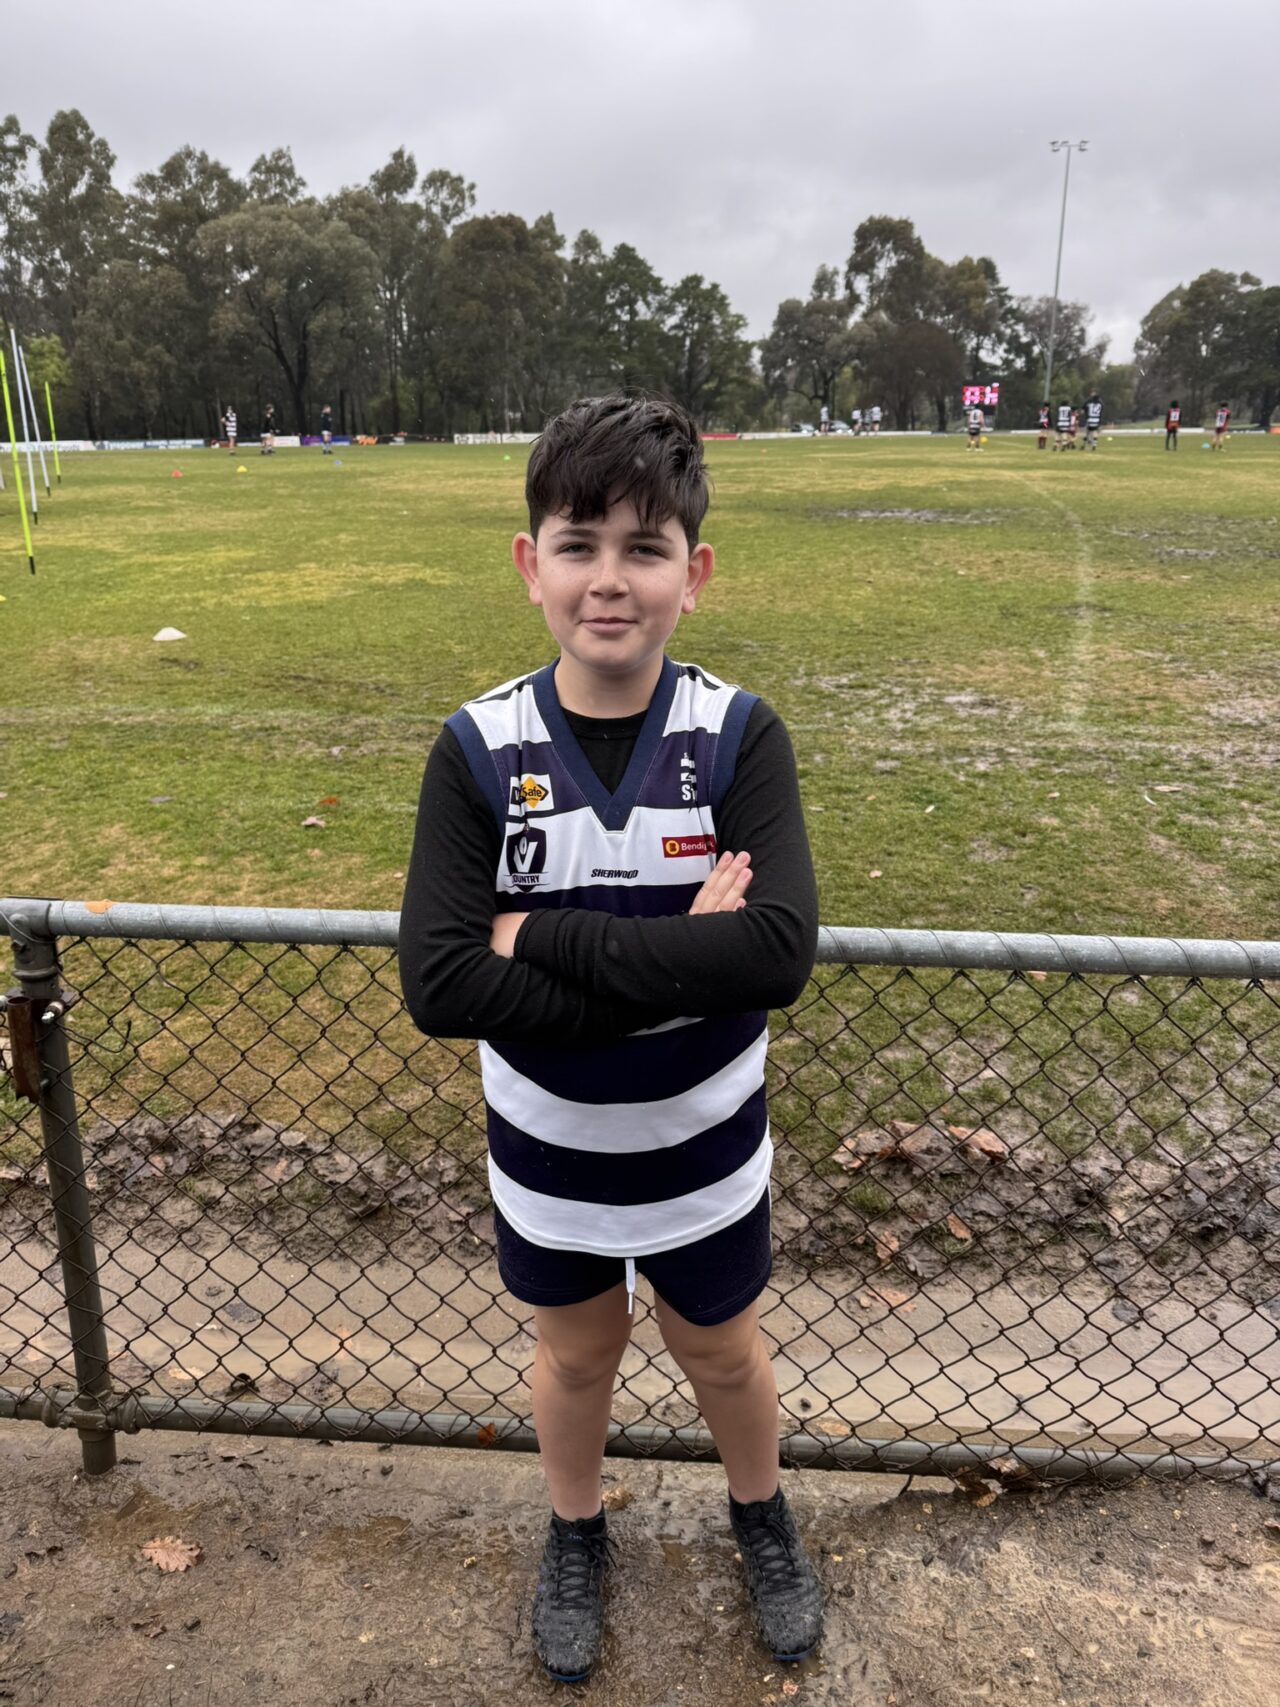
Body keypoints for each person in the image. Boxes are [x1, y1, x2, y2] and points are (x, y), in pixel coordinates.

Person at [398, 394, 822, 1682]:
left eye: (646, 547)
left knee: (721, 1351)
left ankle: (762, 1516)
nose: (609, 579)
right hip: (551, 1153)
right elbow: (439, 984)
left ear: (695, 573)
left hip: (706, 1146)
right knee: (577, 1356)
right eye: (578, 544)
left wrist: (537, 934)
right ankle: (576, 1531)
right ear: (530, 564)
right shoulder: (477, 750)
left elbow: (775, 954)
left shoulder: (739, 736)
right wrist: (676, 959)